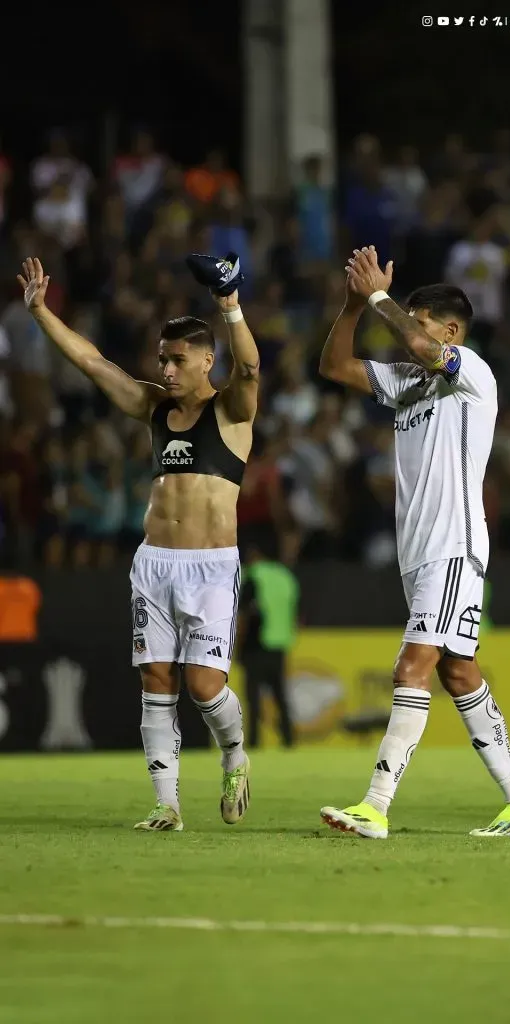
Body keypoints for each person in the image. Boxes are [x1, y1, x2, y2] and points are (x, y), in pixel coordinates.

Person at [18, 256, 257, 832]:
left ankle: (234, 752)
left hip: (210, 567)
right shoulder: (153, 408)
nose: (167, 369)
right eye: (162, 359)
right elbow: (92, 362)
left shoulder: (230, 410)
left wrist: (230, 305)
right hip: (154, 564)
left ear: (206, 360)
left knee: (204, 689)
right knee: (156, 679)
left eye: (178, 360)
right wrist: (41, 312)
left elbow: (249, 368)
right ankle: (166, 804)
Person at [317, 245, 510, 839]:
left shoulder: (469, 371)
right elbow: (336, 367)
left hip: (452, 542)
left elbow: (420, 347)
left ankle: (376, 804)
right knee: (459, 672)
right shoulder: (407, 384)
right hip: (417, 551)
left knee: (411, 666)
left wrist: (377, 298)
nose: (407, 331)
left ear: (449, 330)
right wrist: (350, 307)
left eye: (419, 321)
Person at [237, 542, 299, 748]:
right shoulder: (285, 577)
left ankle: (254, 742)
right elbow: (295, 611)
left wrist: (238, 644)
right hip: (280, 643)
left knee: (253, 698)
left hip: (256, 644)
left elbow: (245, 613)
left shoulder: (253, 576)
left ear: (255, 554)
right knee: (280, 696)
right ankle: (289, 740)